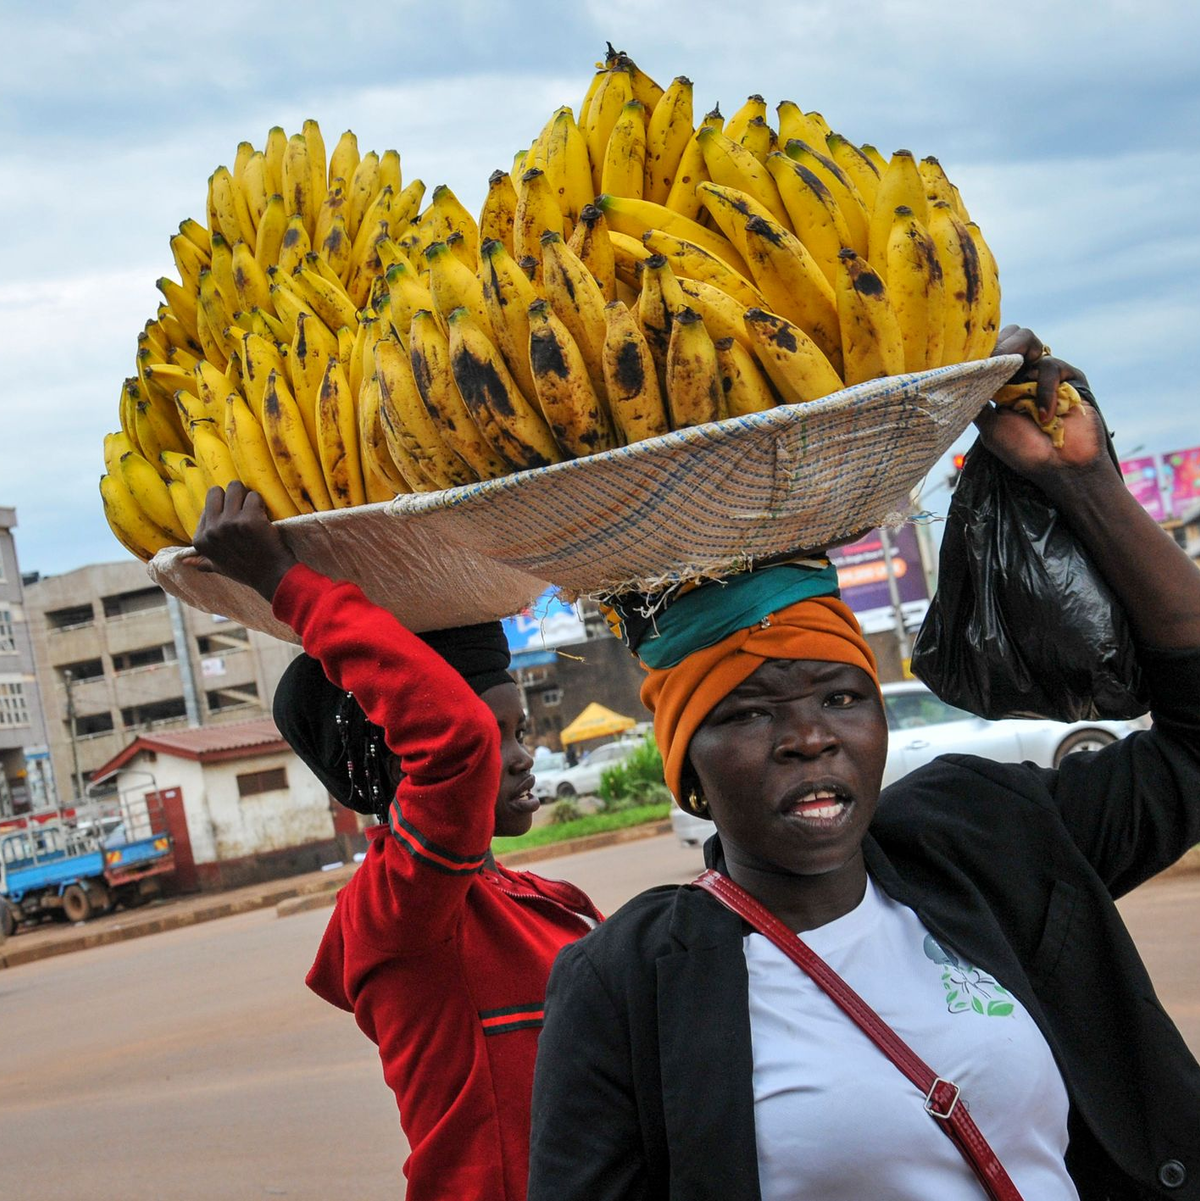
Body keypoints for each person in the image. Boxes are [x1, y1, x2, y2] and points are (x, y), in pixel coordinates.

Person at [527, 328, 1200, 1200]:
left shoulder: (986, 838)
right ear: (686, 761)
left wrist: (1083, 483)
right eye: (750, 710)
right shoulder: (627, 986)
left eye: (841, 697)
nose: (810, 736)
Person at [186, 485, 602, 1201]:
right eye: (495, 734)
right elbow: (458, 747)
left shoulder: (547, 902)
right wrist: (282, 580)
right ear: (399, 755)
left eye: (520, 730)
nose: (521, 755)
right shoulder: (399, 912)